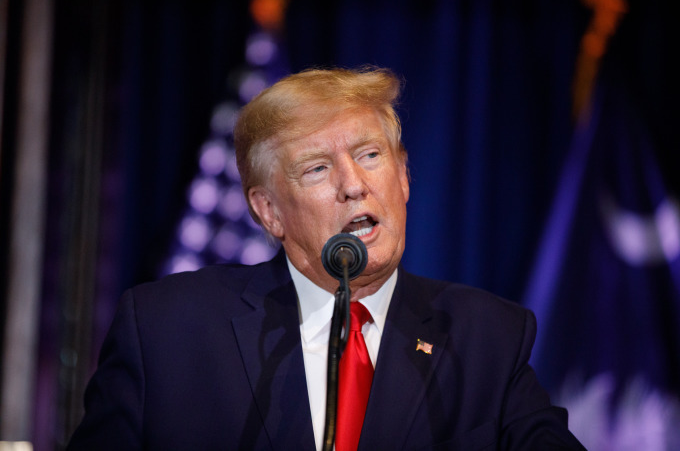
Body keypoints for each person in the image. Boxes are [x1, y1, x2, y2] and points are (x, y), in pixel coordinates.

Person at [67, 67, 585, 450]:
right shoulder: (167, 329)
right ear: (269, 212)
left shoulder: (484, 336)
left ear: (403, 177)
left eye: (369, 155)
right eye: (316, 169)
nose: (354, 185)